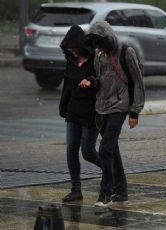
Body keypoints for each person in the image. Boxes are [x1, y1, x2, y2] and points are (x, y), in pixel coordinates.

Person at [84, 21, 145, 207]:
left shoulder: (126, 52)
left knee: (104, 149)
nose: (99, 48)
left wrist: (135, 111)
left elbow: (137, 81)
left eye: (100, 43)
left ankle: (105, 193)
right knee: (112, 150)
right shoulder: (98, 54)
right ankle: (122, 191)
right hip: (101, 107)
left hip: (120, 106)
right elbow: (100, 78)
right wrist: (92, 82)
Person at [59, 25, 102, 202]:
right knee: (71, 150)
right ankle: (76, 189)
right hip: (73, 112)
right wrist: (63, 108)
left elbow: (102, 82)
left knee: (88, 151)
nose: (73, 52)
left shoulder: (95, 60)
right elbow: (67, 87)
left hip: (90, 112)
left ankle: (111, 171)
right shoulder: (70, 62)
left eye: (75, 48)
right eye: (70, 49)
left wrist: (91, 82)